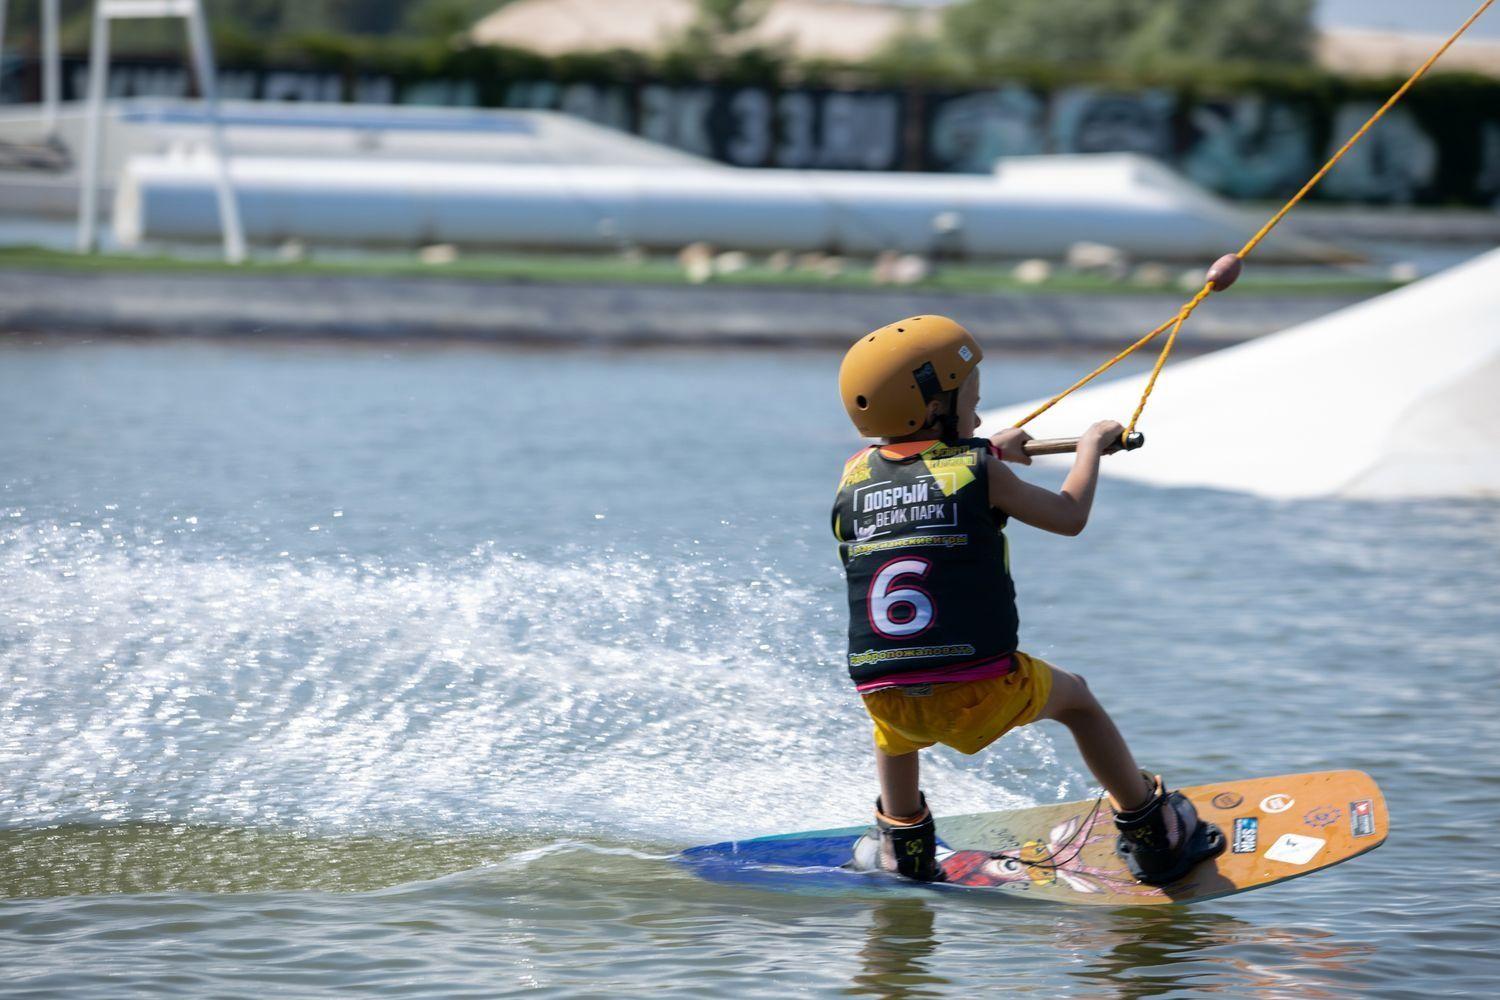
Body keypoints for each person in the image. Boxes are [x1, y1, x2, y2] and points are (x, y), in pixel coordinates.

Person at [831, 315, 1223, 885]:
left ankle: (902, 842)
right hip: (977, 683)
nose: (980, 414)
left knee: (896, 721)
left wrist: (984, 449)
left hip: (882, 689)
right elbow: (1069, 517)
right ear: (935, 407)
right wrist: (1089, 446)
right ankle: (1153, 831)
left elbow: (925, 476)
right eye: (972, 401)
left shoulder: (853, 474)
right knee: (1079, 703)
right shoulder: (980, 468)